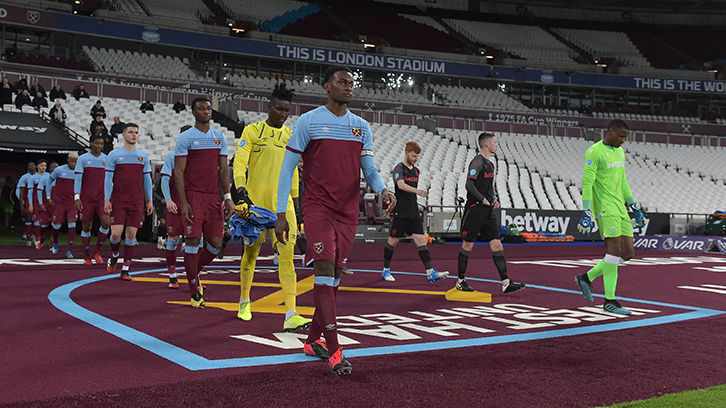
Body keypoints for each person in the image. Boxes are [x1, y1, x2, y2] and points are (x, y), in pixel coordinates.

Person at [274, 66, 396, 375]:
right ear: (327, 86)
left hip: (348, 211)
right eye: (342, 82)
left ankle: (312, 339)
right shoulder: (309, 121)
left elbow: (367, 168)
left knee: (335, 276)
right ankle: (335, 349)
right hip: (318, 208)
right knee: (325, 269)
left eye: (351, 83)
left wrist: (381, 189)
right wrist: (280, 213)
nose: (348, 87)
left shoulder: (361, 127)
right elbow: (288, 168)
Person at [233, 82, 311, 331]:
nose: (283, 114)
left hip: (283, 206)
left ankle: (291, 313)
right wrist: (241, 192)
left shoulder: (290, 137)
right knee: (251, 254)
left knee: (287, 257)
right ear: (269, 106)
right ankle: (245, 301)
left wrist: (298, 213)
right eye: (278, 108)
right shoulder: (252, 131)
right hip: (255, 206)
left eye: (286, 110)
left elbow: (294, 177)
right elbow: (239, 163)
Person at [575, 119, 646, 316]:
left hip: (620, 207)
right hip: (604, 208)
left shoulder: (620, 152)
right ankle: (610, 301)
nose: (624, 140)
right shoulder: (594, 152)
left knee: (628, 254)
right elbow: (587, 183)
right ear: (611, 132)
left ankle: (586, 277)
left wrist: (634, 206)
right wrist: (587, 211)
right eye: (621, 136)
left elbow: (622, 181)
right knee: (614, 252)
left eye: (626, 137)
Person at [174, 97, 235, 308]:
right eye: (201, 108)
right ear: (193, 112)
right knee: (192, 241)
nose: (206, 111)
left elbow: (224, 170)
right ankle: (194, 292)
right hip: (193, 196)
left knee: (215, 244)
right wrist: (184, 202)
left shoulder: (219, 137)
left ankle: (194, 272)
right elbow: (179, 171)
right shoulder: (185, 138)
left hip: (213, 197)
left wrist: (227, 197)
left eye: (208, 108)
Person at [456, 132, 525, 294]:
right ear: (486, 144)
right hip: (475, 209)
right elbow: (469, 185)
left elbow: (489, 187)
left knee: (497, 245)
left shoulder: (491, 164)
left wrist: (493, 200)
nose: (496, 145)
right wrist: (482, 199)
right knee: (468, 245)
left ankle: (506, 282)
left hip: (487, 211)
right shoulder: (477, 162)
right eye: (494, 142)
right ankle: (460, 281)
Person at [382, 141, 449, 283]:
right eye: (413, 156)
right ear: (406, 153)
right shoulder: (398, 169)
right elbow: (400, 185)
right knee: (393, 241)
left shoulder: (416, 170)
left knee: (421, 241)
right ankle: (385, 270)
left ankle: (430, 272)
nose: (415, 159)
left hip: (413, 211)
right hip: (400, 211)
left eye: (417, 157)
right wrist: (417, 191)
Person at [104, 123, 154, 281]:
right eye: (131, 132)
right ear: (123, 135)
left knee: (131, 235)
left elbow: (147, 179)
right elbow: (108, 179)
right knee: (115, 234)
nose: (134, 135)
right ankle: (114, 255)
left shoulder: (143, 156)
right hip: (118, 200)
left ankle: (125, 268)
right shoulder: (114, 155)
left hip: (136, 201)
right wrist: (107, 199)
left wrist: (150, 200)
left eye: (136, 132)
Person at [158, 124, 193, 289]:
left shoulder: (198, 158)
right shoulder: (172, 157)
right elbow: (165, 179)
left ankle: (195, 277)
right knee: (172, 241)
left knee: (195, 242)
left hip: (193, 207)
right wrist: (169, 199)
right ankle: (172, 275)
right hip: (175, 207)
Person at [75, 134, 111, 265]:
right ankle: (86, 255)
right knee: (86, 226)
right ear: (91, 143)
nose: (99, 146)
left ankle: (97, 250)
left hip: (101, 198)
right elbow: (78, 179)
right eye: (96, 143)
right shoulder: (83, 159)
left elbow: (109, 180)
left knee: (106, 222)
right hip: (87, 198)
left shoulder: (107, 159)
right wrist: (77, 197)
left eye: (101, 144)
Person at [44, 153, 79, 258]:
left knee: (72, 224)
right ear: (68, 160)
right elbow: (49, 181)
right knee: (57, 226)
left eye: (76, 161)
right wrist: (48, 196)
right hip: (59, 202)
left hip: (72, 202)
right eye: (72, 161)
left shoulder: (80, 171)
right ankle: (55, 241)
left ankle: (69, 250)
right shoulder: (59, 170)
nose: (74, 163)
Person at [28, 159, 52, 250]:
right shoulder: (33, 178)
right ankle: (37, 238)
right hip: (37, 202)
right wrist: (30, 204)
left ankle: (42, 238)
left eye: (45, 166)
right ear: (37, 166)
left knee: (47, 222)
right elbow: (30, 192)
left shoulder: (49, 176)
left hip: (47, 201)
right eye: (41, 165)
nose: (43, 167)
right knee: (37, 221)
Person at [16, 162, 36, 245]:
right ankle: (26, 236)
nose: (32, 167)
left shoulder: (40, 176)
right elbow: (19, 191)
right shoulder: (24, 177)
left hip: (37, 201)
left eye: (33, 165)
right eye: (30, 165)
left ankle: (35, 236)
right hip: (27, 201)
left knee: (36, 219)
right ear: (27, 168)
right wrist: (22, 202)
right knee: (27, 218)